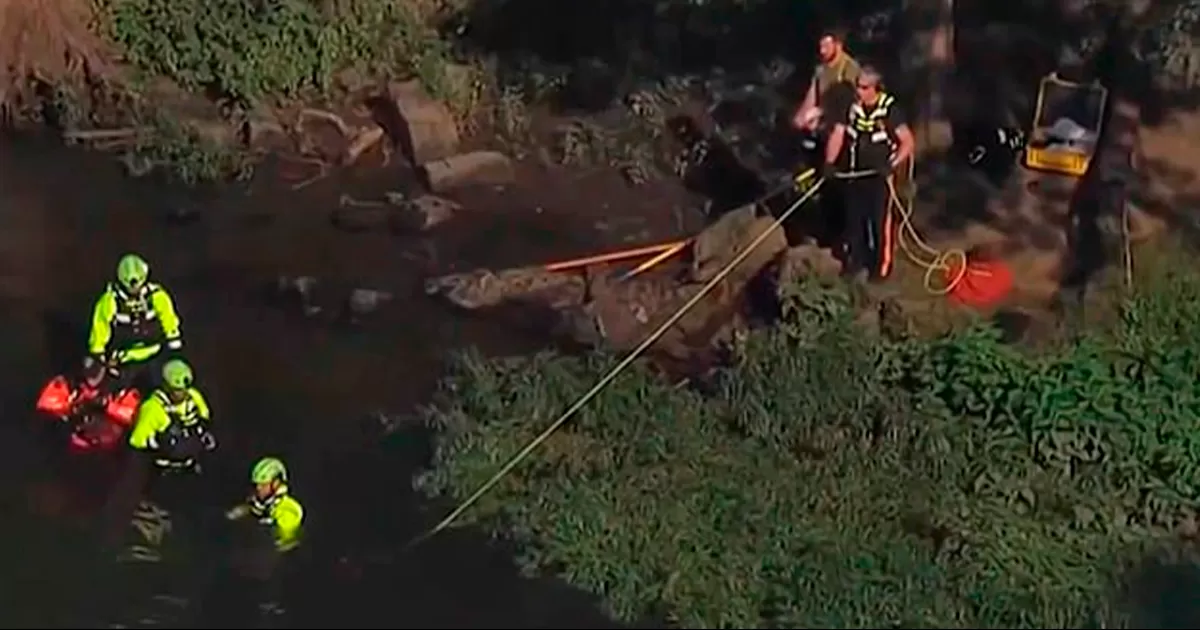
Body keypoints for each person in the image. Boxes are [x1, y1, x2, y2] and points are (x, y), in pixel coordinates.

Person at [823, 65, 915, 282]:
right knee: (855, 219)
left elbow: (908, 142)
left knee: (879, 221)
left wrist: (892, 164)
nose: (859, 91)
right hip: (855, 173)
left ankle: (881, 267)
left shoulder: (889, 109)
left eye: (864, 88)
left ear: (876, 88)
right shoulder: (851, 107)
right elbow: (838, 133)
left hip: (880, 176)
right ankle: (855, 261)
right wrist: (829, 162)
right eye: (858, 86)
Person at [88, 254, 184, 371]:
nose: (135, 290)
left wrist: (175, 350)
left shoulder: (157, 296)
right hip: (123, 359)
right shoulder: (109, 301)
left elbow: (169, 320)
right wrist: (99, 357)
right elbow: (99, 330)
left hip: (156, 353)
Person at [128, 359, 216, 472]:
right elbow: (137, 442)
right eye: (177, 390)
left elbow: (205, 416)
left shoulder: (193, 396)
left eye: (185, 389)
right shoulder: (153, 408)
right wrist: (159, 442)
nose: (183, 393)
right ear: (166, 386)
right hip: (167, 469)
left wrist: (204, 433)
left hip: (194, 460)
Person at [792, 28, 863, 137]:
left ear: (838, 45)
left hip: (840, 119)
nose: (822, 51)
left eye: (826, 46)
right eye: (821, 47)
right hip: (818, 117)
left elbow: (847, 100)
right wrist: (802, 116)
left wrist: (819, 113)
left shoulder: (849, 67)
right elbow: (812, 94)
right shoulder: (820, 69)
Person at [226, 457, 305, 553]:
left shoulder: (288, 511)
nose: (258, 488)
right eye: (257, 484)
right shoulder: (258, 503)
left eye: (263, 485)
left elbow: (285, 546)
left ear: (276, 483)